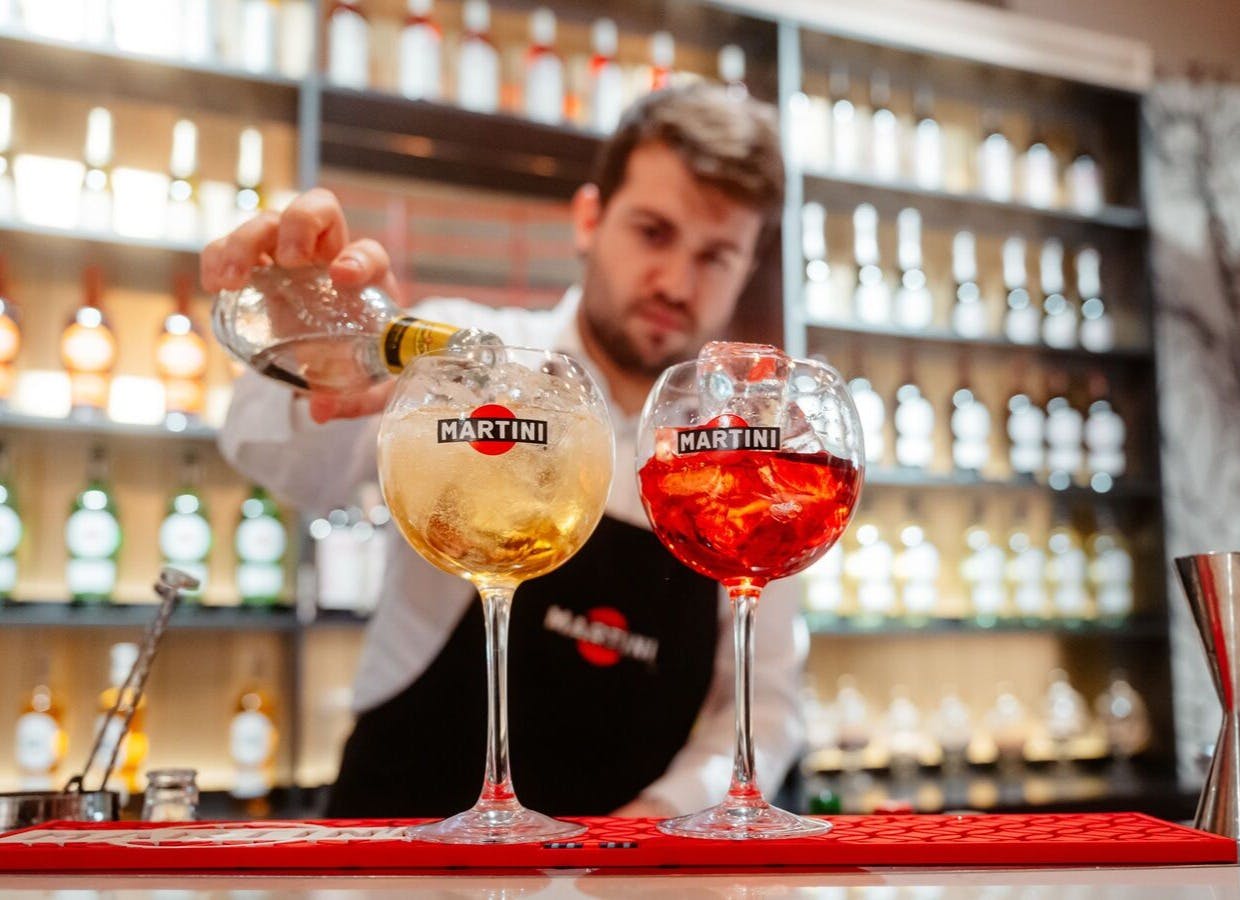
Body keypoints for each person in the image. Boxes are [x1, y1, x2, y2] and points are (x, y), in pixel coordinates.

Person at [204, 84, 801, 819]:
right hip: (398, 848)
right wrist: (312, 363)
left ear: (746, 269)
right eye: (653, 232)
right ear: (590, 218)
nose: (675, 283)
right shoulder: (455, 359)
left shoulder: (742, 463)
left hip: (621, 875)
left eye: (716, 256)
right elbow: (281, 462)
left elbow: (763, 706)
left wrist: (655, 823)